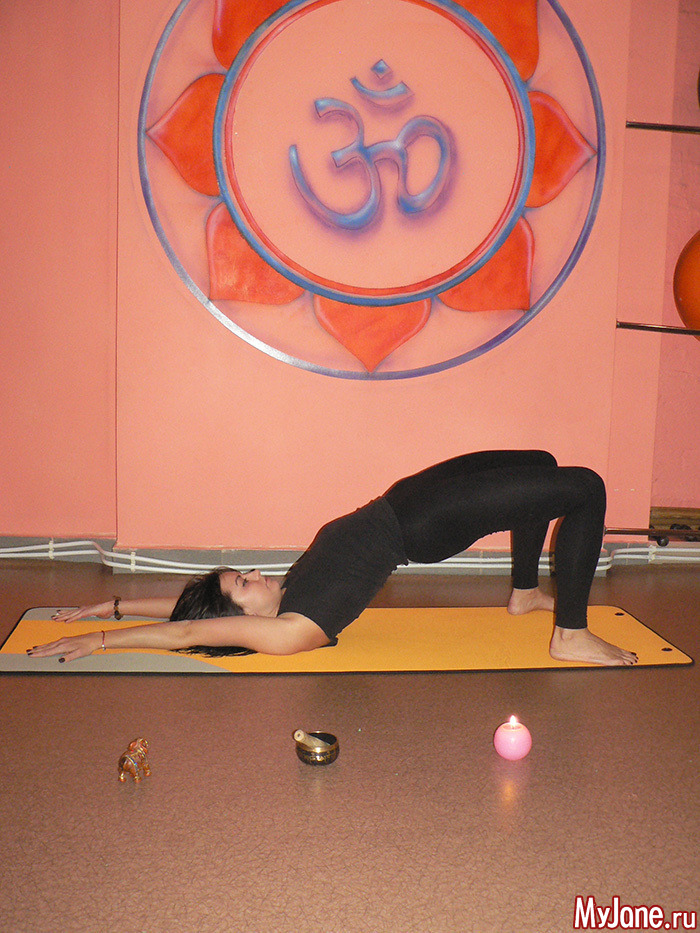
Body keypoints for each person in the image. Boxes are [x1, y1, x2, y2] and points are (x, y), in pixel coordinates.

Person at [27, 450, 638, 667]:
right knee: (585, 487)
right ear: (245, 622)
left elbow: (188, 609)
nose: (255, 573)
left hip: (406, 498)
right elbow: (190, 630)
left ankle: (525, 593)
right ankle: (571, 634)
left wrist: (109, 605)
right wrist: (100, 643)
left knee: (541, 465)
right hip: (423, 524)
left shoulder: (288, 593)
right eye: (244, 583)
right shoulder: (294, 627)